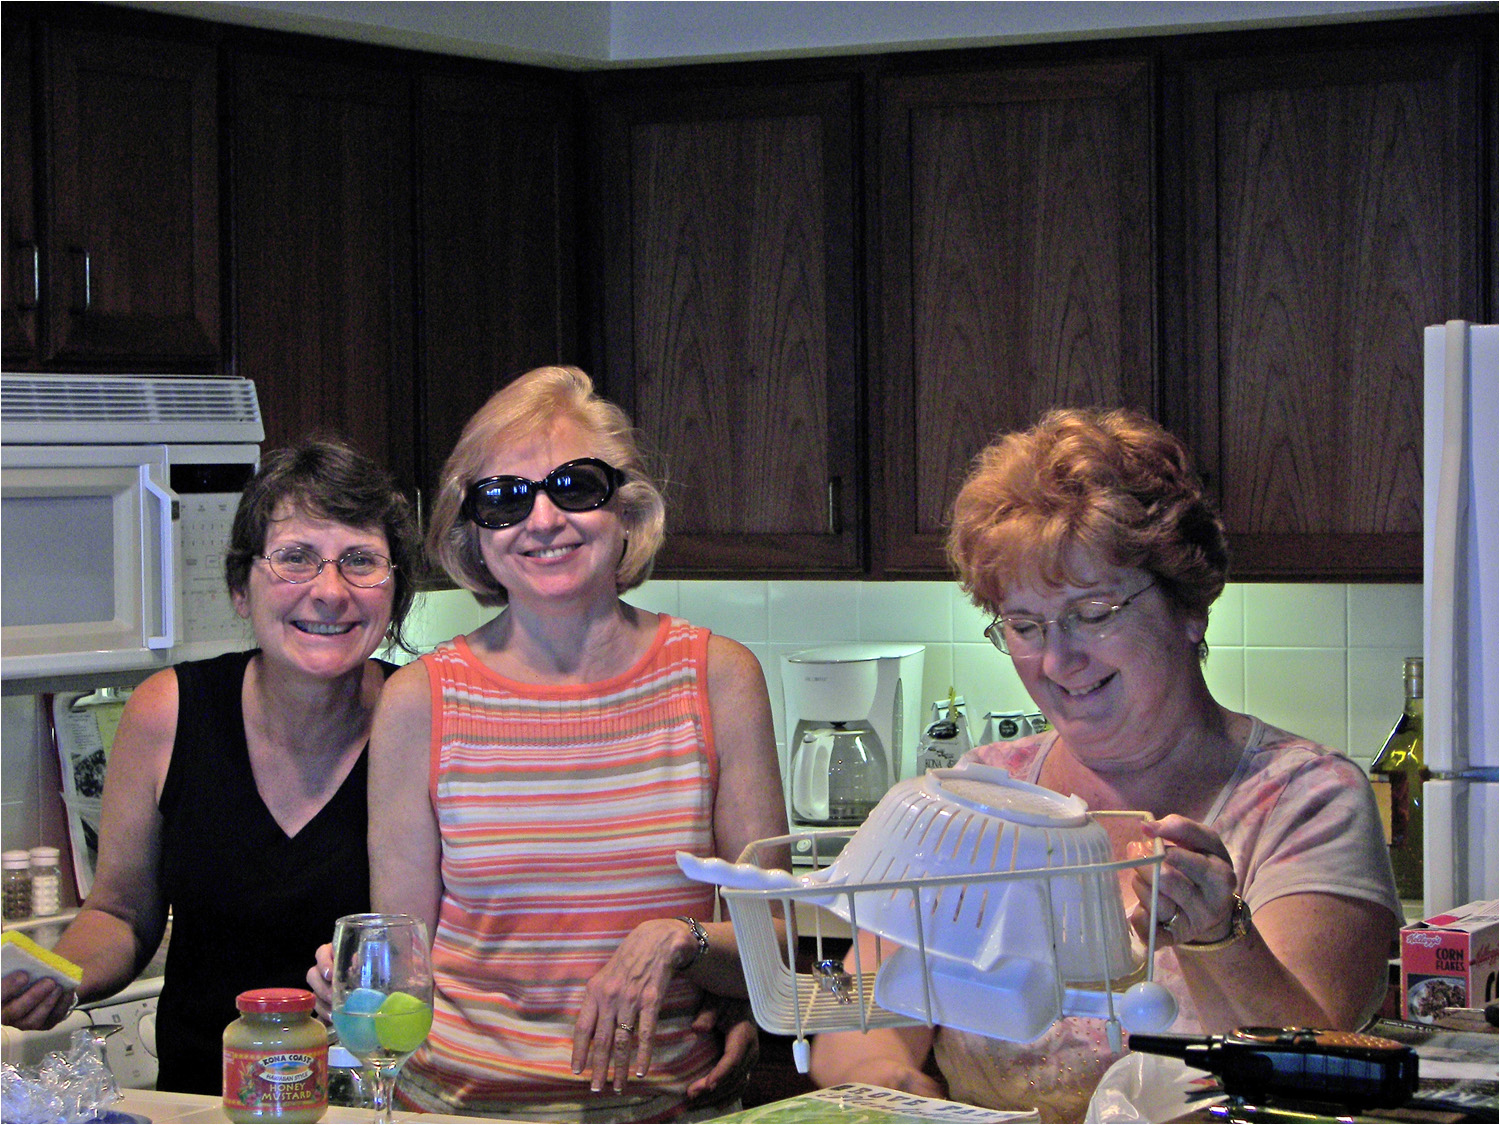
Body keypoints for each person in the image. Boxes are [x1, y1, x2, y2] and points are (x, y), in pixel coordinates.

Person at [808, 408, 1401, 1122]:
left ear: (1188, 607)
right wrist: (886, 1075)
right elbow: (849, 1000)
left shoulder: (1306, 800)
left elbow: (1312, 1073)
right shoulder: (974, 795)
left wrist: (1221, 937)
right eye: (1025, 626)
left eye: (1093, 613)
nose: (1059, 661)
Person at [347, 365, 788, 1122]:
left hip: (663, 1109)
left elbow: (783, 942)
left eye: (575, 485)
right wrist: (354, 988)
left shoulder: (719, 678)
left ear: (627, 509)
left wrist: (679, 939)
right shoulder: (420, 700)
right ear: (474, 534)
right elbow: (403, 961)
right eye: (505, 497)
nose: (542, 518)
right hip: (454, 1110)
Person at [1, 439, 421, 1096]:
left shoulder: (423, 721)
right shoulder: (167, 712)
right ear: (238, 587)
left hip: (366, 1104)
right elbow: (118, 909)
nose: (330, 590)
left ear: (395, 592)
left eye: (361, 561)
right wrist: (57, 974)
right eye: (295, 558)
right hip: (199, 1105)